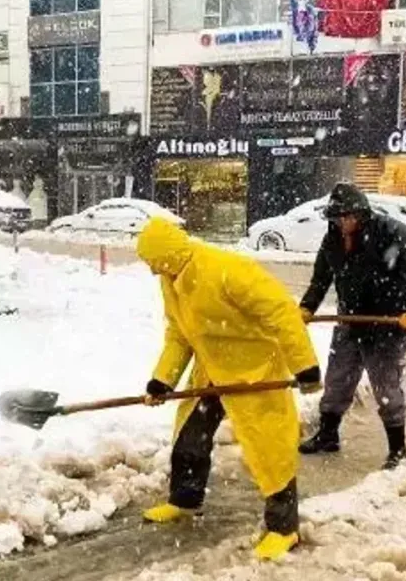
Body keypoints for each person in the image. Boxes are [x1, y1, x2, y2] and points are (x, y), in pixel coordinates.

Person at [136, 217, 321, 561]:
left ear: (171, 254)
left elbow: (282, 313)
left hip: (254, 369)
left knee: (270, 451)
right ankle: (185, 500)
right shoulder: (170, 278)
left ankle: (284, 529)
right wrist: (163, 379)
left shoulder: (228, 270)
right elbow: (179, 334)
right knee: (190, 436)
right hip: (211, 368)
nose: (151, 272)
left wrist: (304, 366)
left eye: (154, 263)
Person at [298, 182, 406, 470]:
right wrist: (308, 306)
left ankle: (398, 448)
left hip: (387, 322)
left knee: (386, 388)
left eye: (347, 217)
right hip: (350, 320)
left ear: (361, 213)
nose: (342, 223)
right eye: (337, 218)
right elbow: (321, 277)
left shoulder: (391, 232)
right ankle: (328, 435)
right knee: (337, 381)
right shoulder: (332, 238)